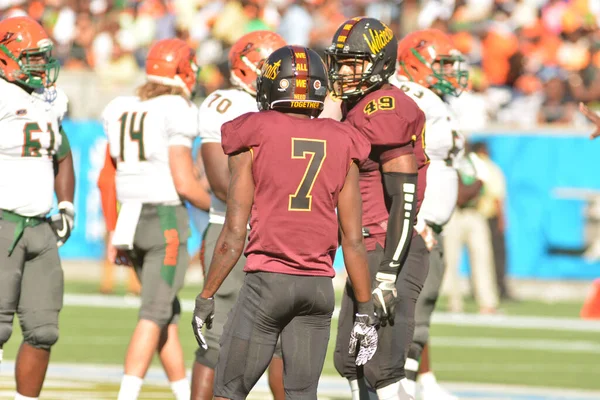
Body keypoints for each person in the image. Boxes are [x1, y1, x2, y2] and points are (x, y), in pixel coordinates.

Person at [192, 45, 378, 400]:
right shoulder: (343, 139)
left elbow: (234, 232)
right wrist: (365, 310)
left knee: (228, 392)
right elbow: (353, 240)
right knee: (302, 394)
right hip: (319, 289)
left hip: (268, 282)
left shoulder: (253, 130)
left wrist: (207, 294)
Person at [323, 16, 429, 400]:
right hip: (362, 249)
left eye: (354, 63)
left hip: (388, 246)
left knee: (382, 367)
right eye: (341, 62)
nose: (345, 71)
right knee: (350, 360)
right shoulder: (354, 105)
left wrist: (389, 273)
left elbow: (403, 198)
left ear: (380, 62)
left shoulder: (386, 107)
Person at [100, 38, 210, 400]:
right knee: (154, 311)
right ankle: (127, 395)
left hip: (131, 218)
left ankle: (182, 393)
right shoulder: (175, 109)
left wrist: (114, 228)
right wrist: (223, 207)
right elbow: (184, 182)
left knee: (167, 313)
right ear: (181, 70)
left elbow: (109, 174)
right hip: (163, 218)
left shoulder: (122, 107)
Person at [192, 30, 287, 400]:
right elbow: (220, 184)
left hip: (276, 233)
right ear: (248, 67)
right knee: (215, 344)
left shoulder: (281, 108)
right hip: (232, 230)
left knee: (283, 343)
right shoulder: (226, 103)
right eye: (274, 67)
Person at [390, 28, 470, 400]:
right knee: (409, 314)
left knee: (420, 311)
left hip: (430, 223)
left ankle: (412, 385)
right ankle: (398, 388)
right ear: (413, 62)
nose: (449, 71)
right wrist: (414, 217)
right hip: (415, 222)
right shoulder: (410, 96)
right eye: (440, 63)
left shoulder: (436, 100)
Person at [0, 16, 75, 400]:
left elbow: (62, 155)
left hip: (41, 228)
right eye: (32, 58)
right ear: (5, 58)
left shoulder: (48, 99)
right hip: (3, 224)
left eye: (43, 58)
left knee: (44, 330)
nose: (42, 66)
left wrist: (66, 206)